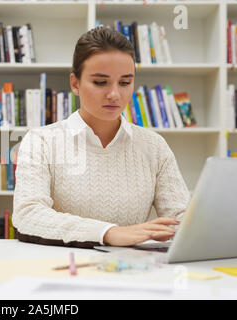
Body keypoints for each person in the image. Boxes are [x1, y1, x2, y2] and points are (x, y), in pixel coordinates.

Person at [12, 26, 191, 248]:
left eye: (125, 83)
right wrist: (108, 233)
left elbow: (182, 219)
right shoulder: (41, 141)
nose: (115, 94)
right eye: (100, 82)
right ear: (75, 84)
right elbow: (28, 215)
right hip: (63, 269)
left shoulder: (154, 146)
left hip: (131, 271)